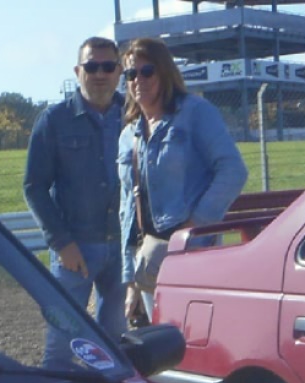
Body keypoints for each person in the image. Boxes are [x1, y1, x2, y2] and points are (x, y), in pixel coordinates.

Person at [117, 36, 247, 326]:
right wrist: (130, 280)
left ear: (164, 72)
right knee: (161, 348)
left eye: (147, 71)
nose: (138, 79)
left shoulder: (195, 113)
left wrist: (197, 225)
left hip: (191, 255)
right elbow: (127, 208)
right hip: (150, 258)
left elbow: (233, 170)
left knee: (193, 339)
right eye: (130, 74)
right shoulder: (129, 134)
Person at [23, 35, 128, 365]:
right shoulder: (54, 120)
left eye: (107, 66)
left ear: (119, 70)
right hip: (76, 249)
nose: (100, 74)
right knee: (62, 345)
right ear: (77, 70)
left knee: (117, 344)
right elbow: (34, 186)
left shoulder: (133, 114)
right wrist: (61, 242)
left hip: (125, 246)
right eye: (91, 66)